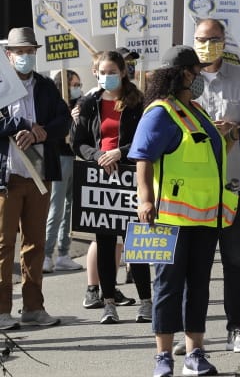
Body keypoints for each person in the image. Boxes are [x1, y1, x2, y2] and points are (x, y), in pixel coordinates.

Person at [130, 45, 237, 377]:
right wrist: (144, 199)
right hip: (170, 219)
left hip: (205, 217)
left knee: (199, 286)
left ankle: (195, 353)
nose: (199, 77)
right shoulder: (161, 112)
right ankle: (163, 357)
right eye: (194, 72)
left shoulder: (196, 110)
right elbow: (143, 158)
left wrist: (228, 136)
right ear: (178, 74)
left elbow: (206, 158)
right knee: (168, 287)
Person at [185, 18, 240, 356]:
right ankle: (192, 334)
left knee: (235, 260)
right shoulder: (183, 81)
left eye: (214, 39)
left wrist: (237, 128)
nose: (207, 45)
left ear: (224, 41)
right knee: (194, 265)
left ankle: (236, 328)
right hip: (192, 192)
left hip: (233, 188)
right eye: (201, 39)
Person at [71, 50, 152, 324]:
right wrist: (97, 156)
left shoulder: (138, 101)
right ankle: (108, 303)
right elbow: (78, 142)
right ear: (95, 73)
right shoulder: (89, 102)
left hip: (131, 176)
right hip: (101, 180)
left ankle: (146, 301)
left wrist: (120, 152)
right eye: (102, 72)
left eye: (112, 72)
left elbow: (148, 137)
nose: (107, 77)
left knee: (136, 241)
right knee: (105, 243)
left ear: (123, 72)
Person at [0, 27, 68, 329]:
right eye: (21, 51)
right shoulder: (1, 85)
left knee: (35, 244)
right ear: (8, 54)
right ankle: (2, 310)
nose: (26, 56)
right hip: (7, 177)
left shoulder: (44, 86)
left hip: (38, 176)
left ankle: (33, 307)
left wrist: (43, 131)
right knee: (4, 245)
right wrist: (22, 123)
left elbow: (63, 119)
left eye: (30, 51)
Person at [43, 70, 84, 273]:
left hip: (73, 156)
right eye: (74, 84)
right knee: (56, 207)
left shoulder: (78, 103)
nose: (78, 87)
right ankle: (46, 254)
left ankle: (64, 253)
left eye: (79, 84)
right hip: (59, 158)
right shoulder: (55, 103)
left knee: (70, 208)